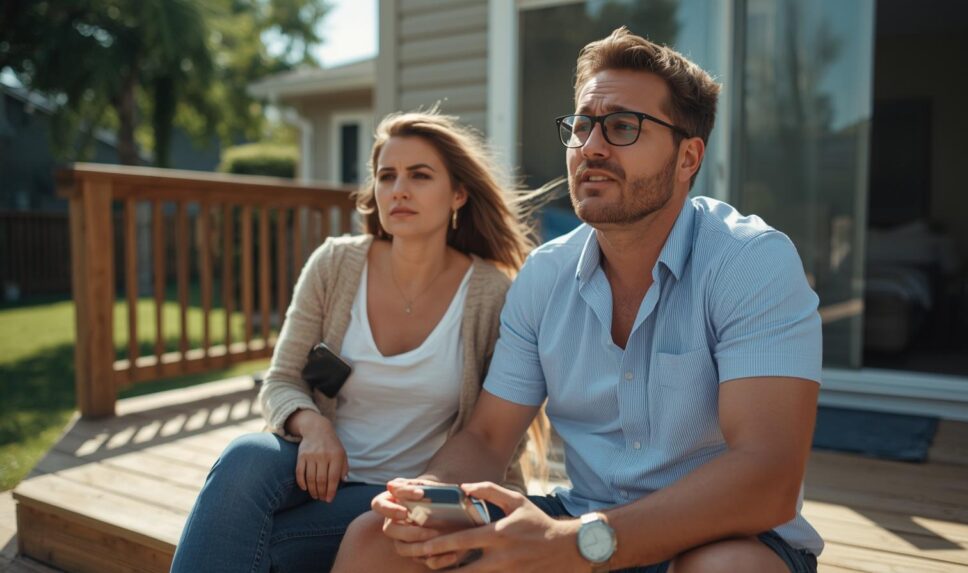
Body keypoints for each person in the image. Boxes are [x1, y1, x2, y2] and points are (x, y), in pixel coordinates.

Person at [335, 27, 823, 573]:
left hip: (721, 536)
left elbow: (768, 480)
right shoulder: (546, 275)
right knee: (377, 539)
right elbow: (489, 435)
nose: (590, 146)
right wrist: (427, 493)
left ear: (688, 158)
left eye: (621, 127)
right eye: (582, 126)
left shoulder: (749, 262)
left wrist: (574, 545)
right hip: (578, 517)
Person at [170, 110, 547, 573]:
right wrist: (314, 427)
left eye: (419, 175)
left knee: (257, 544)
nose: (398, 189)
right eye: (386, 176)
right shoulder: (334, 265)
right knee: (246, 457)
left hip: (416, 495)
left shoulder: (490, 294)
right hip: (319, 474)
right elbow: (282, 380)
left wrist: (441, 499)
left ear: (459, 194)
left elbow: (500, 434)